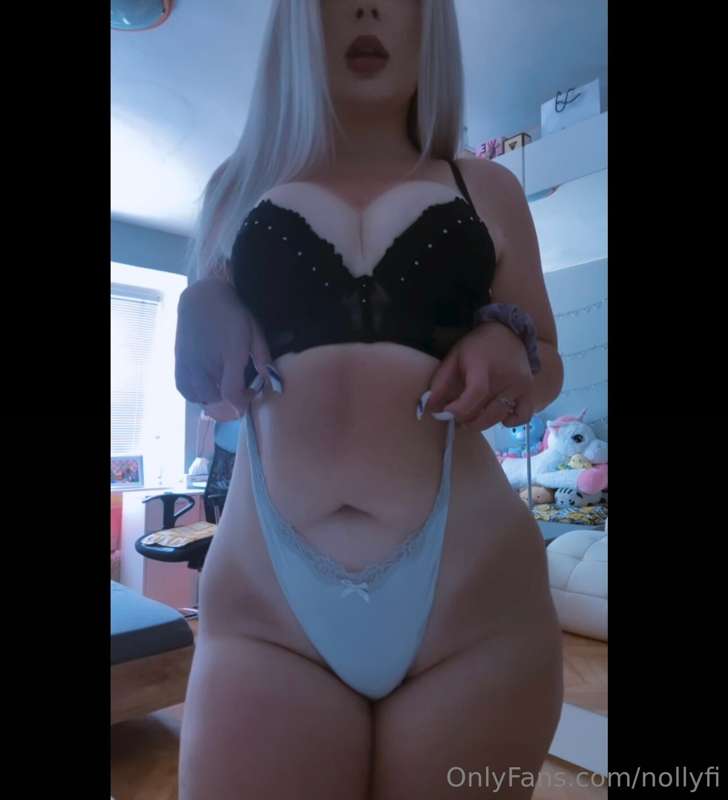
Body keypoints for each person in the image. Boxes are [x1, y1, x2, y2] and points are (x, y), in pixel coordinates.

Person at [176, 2, 564, 798]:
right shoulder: (236, 187)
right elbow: (208, 388)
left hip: (473, 606)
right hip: (268, 613)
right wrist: (197, 301)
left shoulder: (488, 187)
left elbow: (548, 363)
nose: (365, 8)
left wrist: (510, 344)